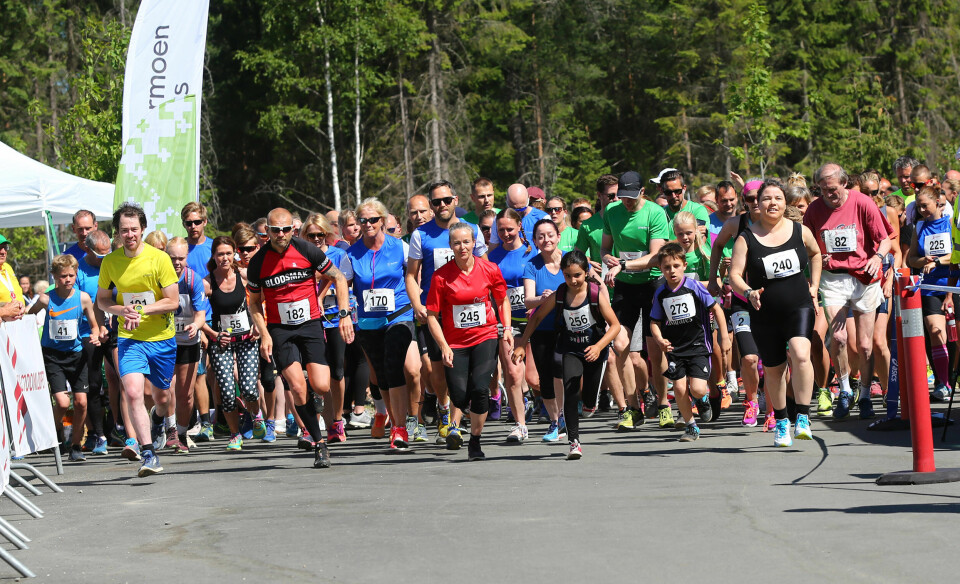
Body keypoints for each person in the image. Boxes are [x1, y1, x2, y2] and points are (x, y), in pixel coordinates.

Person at [246, 208, 354, 469]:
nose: (281, 234)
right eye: (275, 230)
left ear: (292, 230)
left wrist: (344, 314)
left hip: (310, 325)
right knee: (296, 387)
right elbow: (254, 302)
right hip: (280, 330)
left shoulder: (307, 250)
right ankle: (319, 443)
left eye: (285, 229)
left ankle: (313, 400)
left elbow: (338, 277)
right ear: (267, 232)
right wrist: (264, 334)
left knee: (322, 386)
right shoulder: (258, 262)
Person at [730, 178, 822, 447]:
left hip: (799, 306)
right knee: (774, 369)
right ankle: (781, 421)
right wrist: (748, 292)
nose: (772, 203)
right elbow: (734, 274)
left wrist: (814, 287)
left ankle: (803, 417)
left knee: (801, 355)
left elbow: (816, 254)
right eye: (767, 198)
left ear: (785, 203)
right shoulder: (747, 238)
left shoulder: (799, 231)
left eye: (778, 198)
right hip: (765, 312)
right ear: (757, 204)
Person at [97, 202, 180, 477]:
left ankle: (158, 418)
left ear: (143, 229)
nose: (129, 235)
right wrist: (122, 310)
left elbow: (172, 301)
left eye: (134, 229)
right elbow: (103, 300)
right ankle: (148, 452)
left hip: (161, 338)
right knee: (132, 392)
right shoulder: (110, 262)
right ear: (117, 233)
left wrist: (142, 310)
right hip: (129, 338)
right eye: (123, 230)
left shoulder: (159, 259)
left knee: (162, 396)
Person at [803, 163, 892, 419]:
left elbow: (886, 238)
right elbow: (807, 245)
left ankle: (864, 395)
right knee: (839, 338)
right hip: (833, 279)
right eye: (822, 190)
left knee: (864, 346)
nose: (828, 194)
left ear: (843, 183)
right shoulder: (814, 209)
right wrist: (818, 258)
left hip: (864, 277)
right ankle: (844, 390)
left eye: (832, 189)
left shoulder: (863, 202)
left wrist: (877, 257)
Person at [514, 250, 620, 458]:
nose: (573, 280)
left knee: (588, 399)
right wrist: (522, 343)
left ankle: (590, 402)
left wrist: (599, 347)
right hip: (570, 348)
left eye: (577, 275)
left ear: (585, 272)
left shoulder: (595, 293)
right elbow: (536, 318)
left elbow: (615, 326)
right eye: (568, 275)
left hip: (594, 350)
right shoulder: (560, 294)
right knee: (570, 391)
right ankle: (574, 441)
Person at [406, 181, 487, 441]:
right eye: (436, 202)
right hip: (436, 312)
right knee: (436, 370)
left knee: (460, 369)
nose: (442, 205)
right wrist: (417, 304)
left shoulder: (471, 229)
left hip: (466, 310)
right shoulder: (421, 234)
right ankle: (442, 408)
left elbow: (485, 269)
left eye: (446, 200)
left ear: (455, 200)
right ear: (431, 206)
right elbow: (411, 274)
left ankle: (454, 423)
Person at [426, 223, 511, 460]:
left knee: (480, 388)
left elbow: (502, 300)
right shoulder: (441, 276)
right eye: (456, 243)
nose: (462, 247)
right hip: (455, 342)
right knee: (460, 395)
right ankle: (457, 417)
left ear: (474, 243)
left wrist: (506, 329)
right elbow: (431, 315)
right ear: (450, 246)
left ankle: (475, 440)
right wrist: (443, 345)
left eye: (466, 242)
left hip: (485, 336)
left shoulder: (489, 269)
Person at [344, 198, 423, 449]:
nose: (368, 224)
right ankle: (393, 420)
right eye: (363, 220)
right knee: (381, 376)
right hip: (368, 321)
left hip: (399, 315)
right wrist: (344, 313)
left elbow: (412, 275)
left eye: (373, 220)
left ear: (383, 220)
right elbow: (342, 285)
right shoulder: (351, 254)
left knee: (394, 365)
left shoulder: (399, 246)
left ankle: (401, 427)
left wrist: (417, 303)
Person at [601, 171, 671, 429]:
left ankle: (663, 405)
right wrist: (608, 258)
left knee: (655, 349)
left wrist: (623, 264)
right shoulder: (612, 213)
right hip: (625, 286)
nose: (627, 202)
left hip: (652, 283)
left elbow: (656, 256)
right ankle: (633, 408)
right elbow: (605, 248)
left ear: (642, 192)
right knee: (621, 345)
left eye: (631, 197)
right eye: (622, 198)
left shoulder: (654, 213)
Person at [649, 243, 730, 441]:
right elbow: (654, 321)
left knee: (697, 388)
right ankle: (691, 426)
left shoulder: (693, 286)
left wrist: (725, 336)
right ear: (661, 269)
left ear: (684, 265)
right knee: (678, 387)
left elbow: (716, 309)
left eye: (676, 266)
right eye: (667, 267)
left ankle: (703, 398)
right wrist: (659, 339)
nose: (672, 271)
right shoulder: (661, 293)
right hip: (675, 348)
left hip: (698, 345)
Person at [28, 254, 101, 461]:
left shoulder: (83, 298)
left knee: (81, 403)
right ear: (54, 277)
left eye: (71, 275)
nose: (67, 280)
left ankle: (76, 445)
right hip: (53, 355)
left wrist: (95, 335)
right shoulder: (46, 298)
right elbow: (28, 314)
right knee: (61, 402)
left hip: (76, 354)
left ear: (76, 274)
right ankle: (52, 435)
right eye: (62, 276)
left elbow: (94, 325)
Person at [708, 179, 765, 427]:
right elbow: (718, 246)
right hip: (742, 299)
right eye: (749, 199)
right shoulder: (735, 223)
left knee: (774, 357)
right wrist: (714, 278)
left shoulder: (780, 226)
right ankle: (751, 401)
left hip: (771, 299)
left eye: (758, 198)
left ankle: (774, 406)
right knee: (750, 358)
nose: (754, 203)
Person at [202, 236, 264, 451]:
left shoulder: (244, 276)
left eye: (229, 253)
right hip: (222, 343)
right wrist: (214, 334)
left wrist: (259, 323)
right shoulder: (207, 283)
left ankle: (256, 415)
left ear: (234, 255)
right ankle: (235, 434)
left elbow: (260, 301)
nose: (225, 258)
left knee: (248, 389)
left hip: (247, 339)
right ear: (214, 256)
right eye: (220, 254)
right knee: (227, 392)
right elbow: (199, 318)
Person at [488, 209, 537, 443]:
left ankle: (552, 411)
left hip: (535, 321)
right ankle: (520, 425)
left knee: (536, 379)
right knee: (514, 374)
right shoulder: (492, 257)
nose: (506, 234)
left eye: (510, 229)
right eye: (501, 230)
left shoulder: (532, 252)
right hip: (507, 324)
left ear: (519, 226)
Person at [302, 213, 351, 444]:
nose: (316, 240)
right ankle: (313, 425)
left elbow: (342, 280)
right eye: (311, 235)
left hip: (333, 318)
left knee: (337, 372)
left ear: (327, 235)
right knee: (312, 374)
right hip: (308, 320)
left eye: (320, 235)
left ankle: (337, 420)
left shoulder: (339, 255)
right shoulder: (300, 257)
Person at [908, 186, 954, 401]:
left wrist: (937, 260)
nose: (923, 210)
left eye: (925, 205)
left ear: (937, 202)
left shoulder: (950, 224)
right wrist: (924, 261)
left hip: (953, 284)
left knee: (955, 337)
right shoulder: (919, 226)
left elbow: (955, 254)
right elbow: (911, 259)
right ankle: (943, 383)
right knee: (936, 332)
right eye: (919, 207)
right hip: (930, 287)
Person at [523, 218, 567, 441]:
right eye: (540, 236)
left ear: (558, 237)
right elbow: (527, 300)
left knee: (563, 372)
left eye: (550, 234)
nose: (546, 239)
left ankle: (566, 417)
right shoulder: (532, 265)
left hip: (568, 328)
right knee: (545, 377)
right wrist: (542, 298)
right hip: (542, 328)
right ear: (535, 241)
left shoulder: (570, 259)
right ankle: (554, 422)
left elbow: (587, 285)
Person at [164, 237, 208, 453]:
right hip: (164, 341)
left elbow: (201, 313)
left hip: (188, 340)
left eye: (181, 258)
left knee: (185, 394)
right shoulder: (160, 278)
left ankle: (181, 432)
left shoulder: (194, 280)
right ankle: (167, 428)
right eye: (172, 258)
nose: (177, 262)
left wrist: (196, 326)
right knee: (166, 389)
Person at [658, 169, 709, 238]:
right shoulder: (660, 214)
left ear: (684, 188)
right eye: (668, 192)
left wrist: (665, 244)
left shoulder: (698, 210)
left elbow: (698, 240)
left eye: (677, 191)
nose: (673, 196)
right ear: (662, 191)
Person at [181, 202, 213, 279]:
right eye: (189, 223)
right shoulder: (179, 248)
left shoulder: (215, 246)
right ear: (183, 224)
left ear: (205, 222)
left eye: (197, 222)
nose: (193, 226)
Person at [0, 235, 21, 307]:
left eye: (5, 248)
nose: (3, 252)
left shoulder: (8, 267)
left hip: (20, 315)